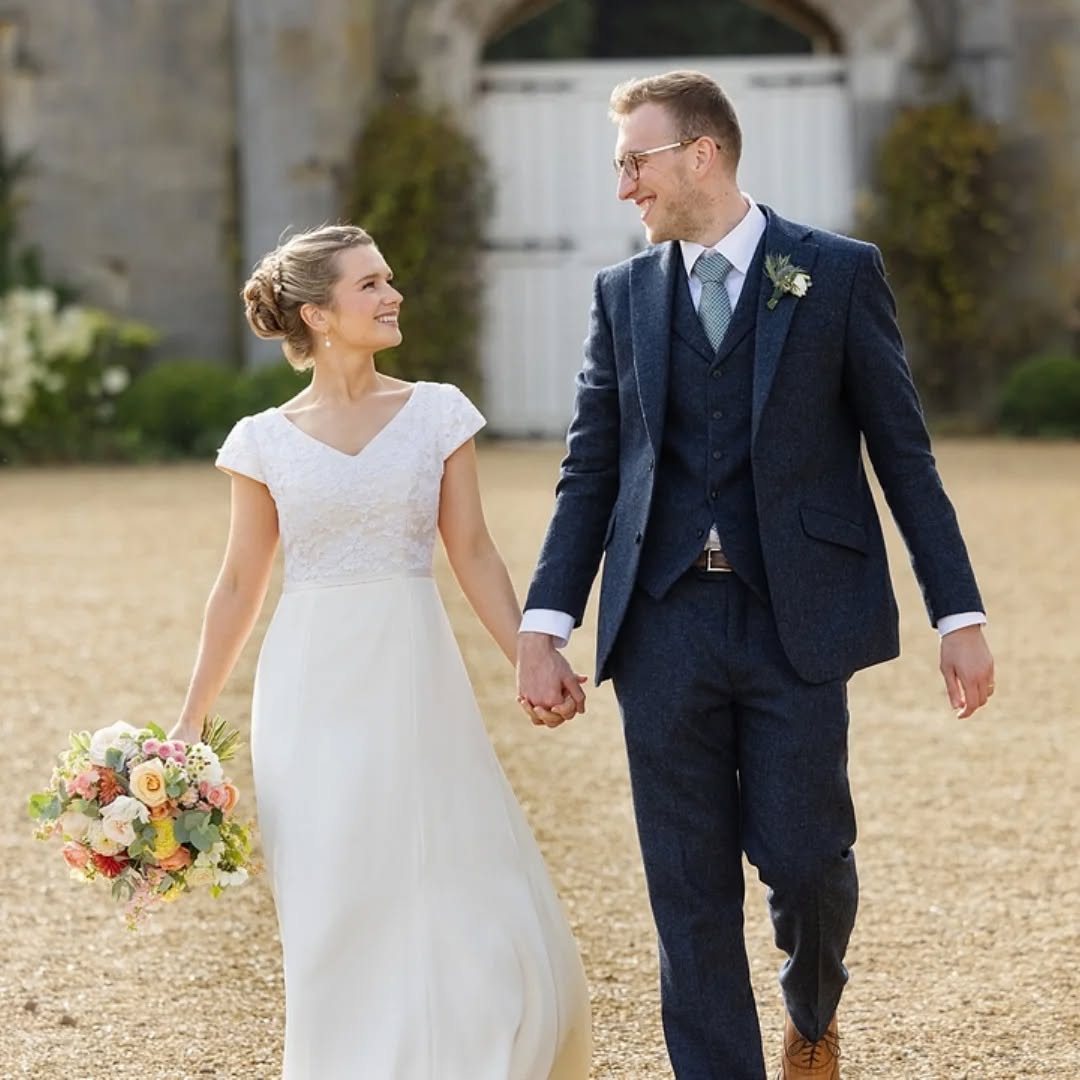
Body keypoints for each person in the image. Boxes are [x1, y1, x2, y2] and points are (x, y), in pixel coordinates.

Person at [516, 71, 994, 1080]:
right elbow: (590, 469)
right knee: (685, 889)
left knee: (808, 861)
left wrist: (960, 611)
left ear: (702, 154)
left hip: (799, 620)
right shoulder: (623, 294)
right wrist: (544, 624)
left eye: (632, 164)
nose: (622, 190)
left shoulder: (837, 274)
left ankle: (812, 1007)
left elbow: (902, 455)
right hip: (662, 625)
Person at [168, 224, 592, 1079]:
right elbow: (240, 586)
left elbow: (471, 549)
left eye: (388, 279)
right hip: (309, 684)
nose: (392, 294)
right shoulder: (263, 439)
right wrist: (189, 721)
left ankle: (477, 1049)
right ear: (319, 314)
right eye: (370, 285)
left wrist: (531, 656)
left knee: (451, 865)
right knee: (335, 887)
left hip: (412, 671)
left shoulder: (437, 410)